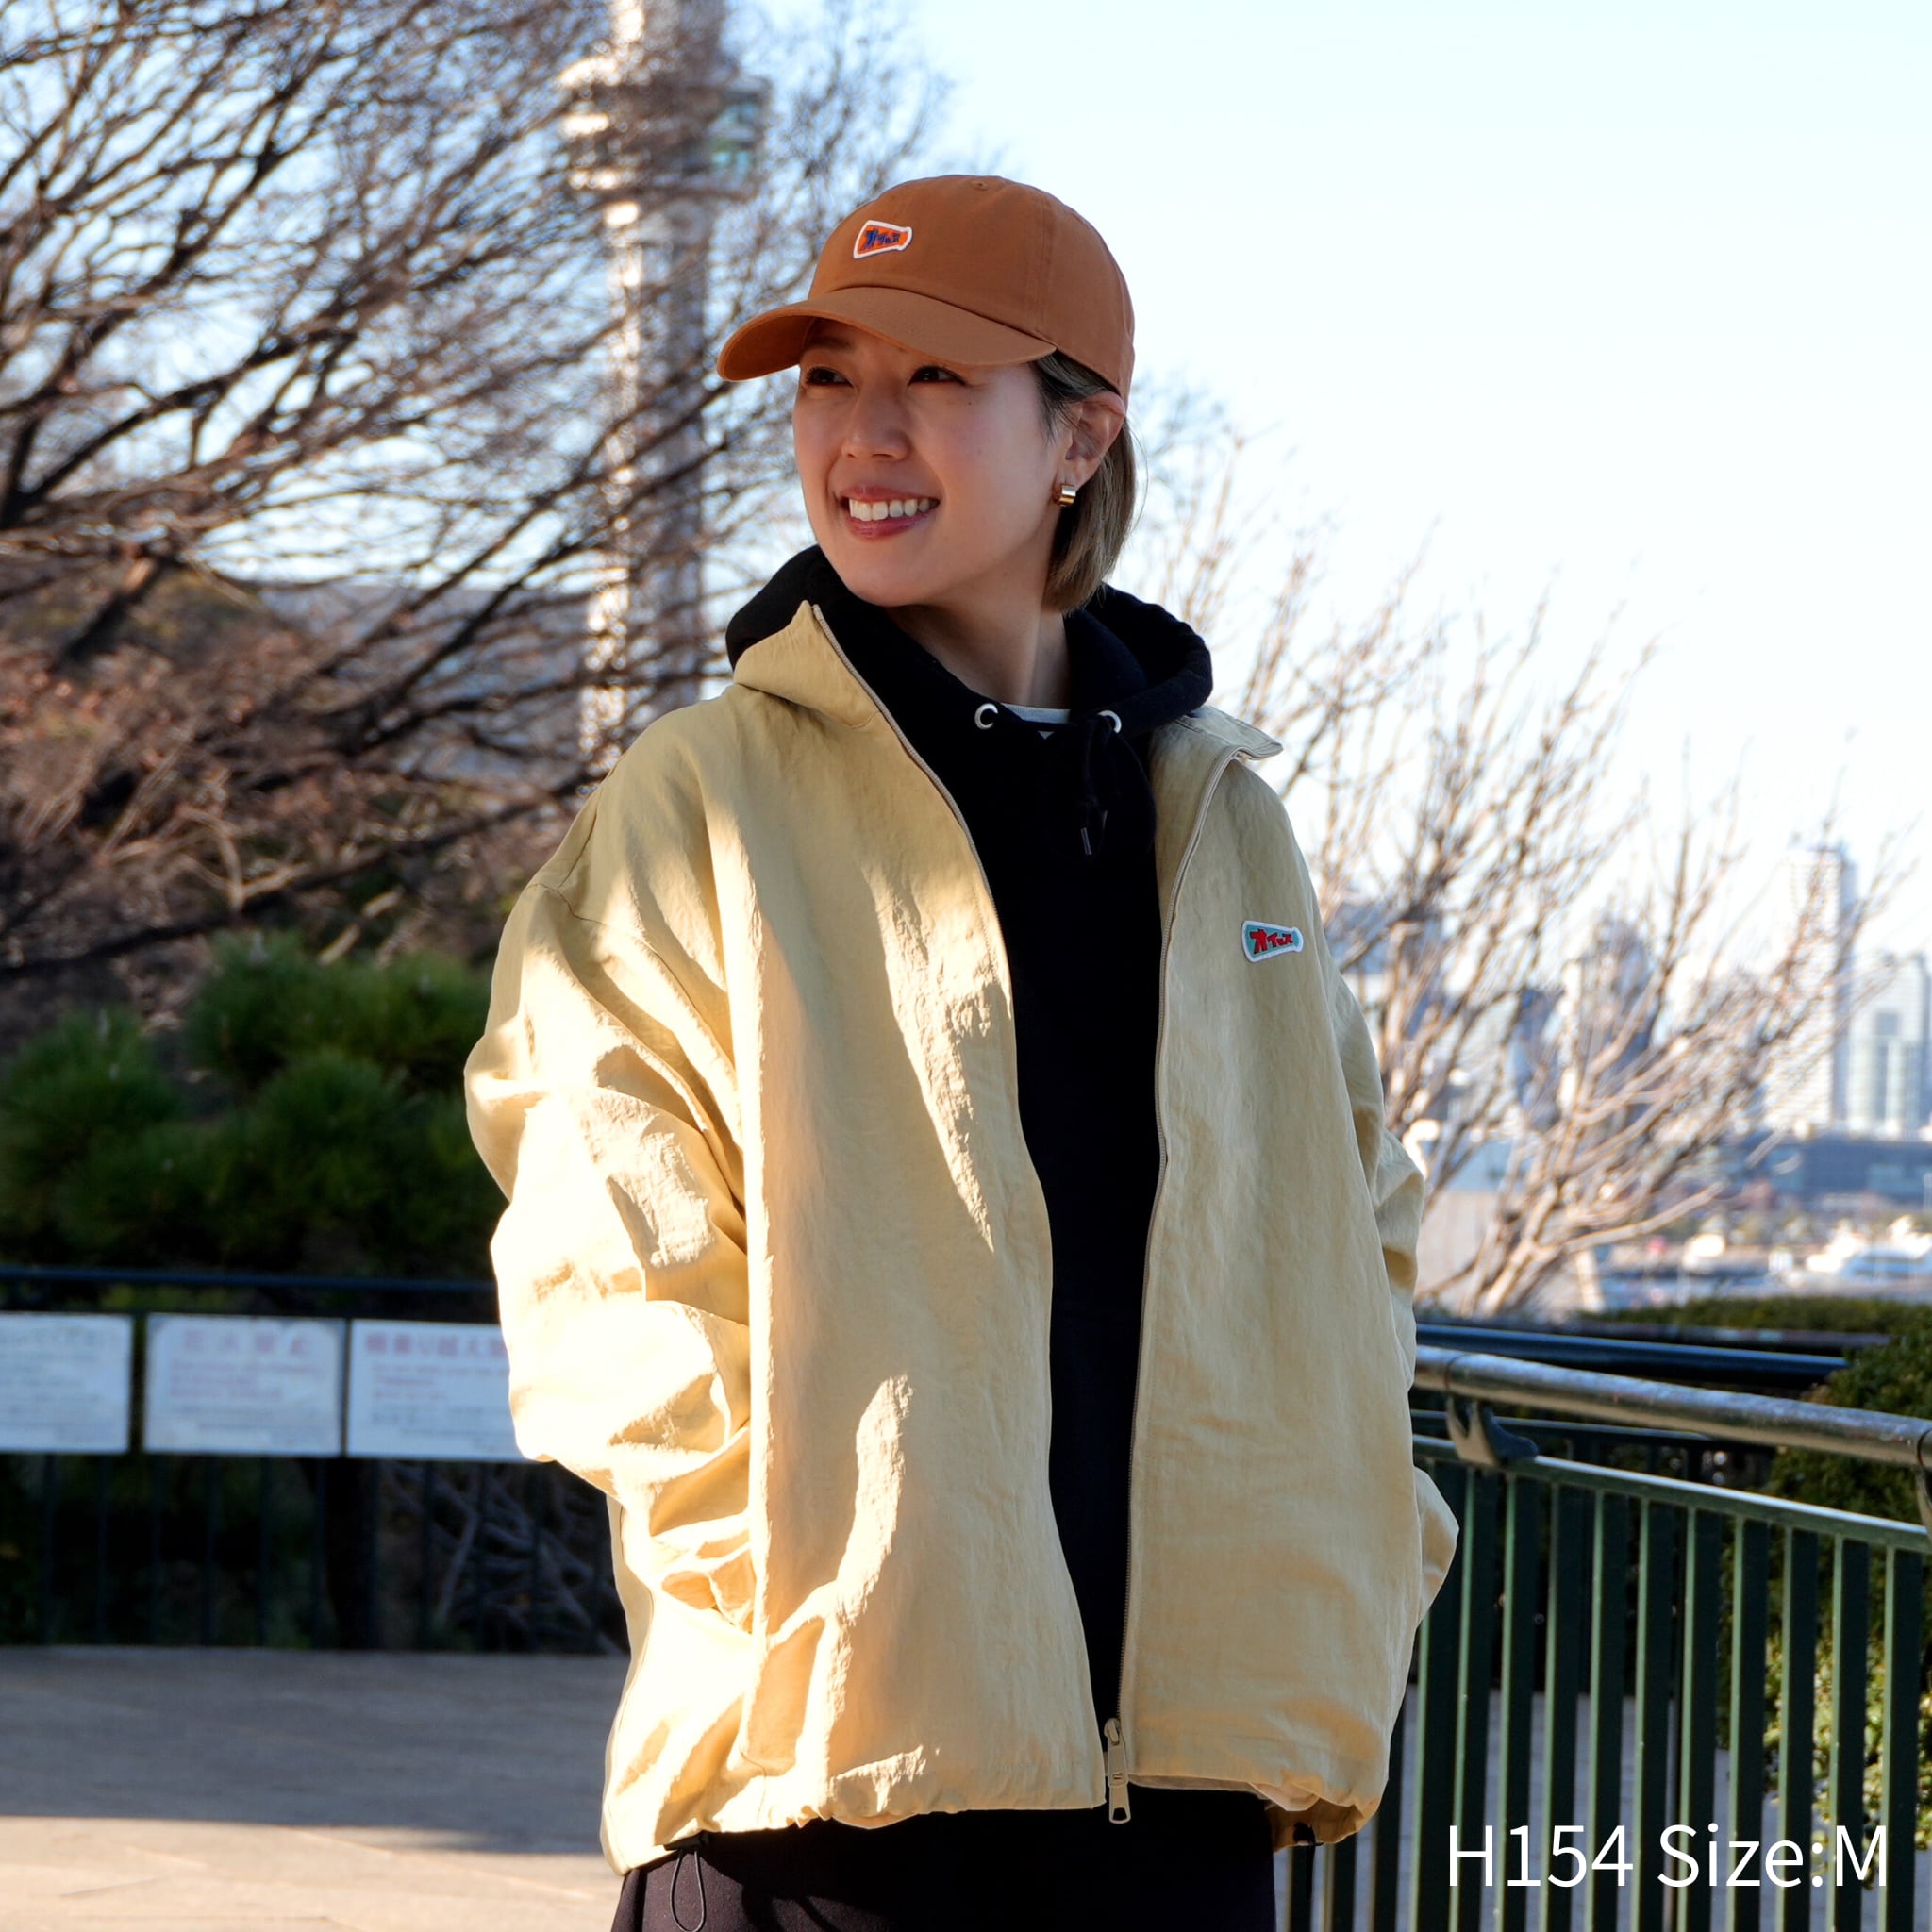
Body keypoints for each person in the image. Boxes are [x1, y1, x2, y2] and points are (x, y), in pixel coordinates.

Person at [464, 174, 1458, 1932]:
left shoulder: (1222, 817)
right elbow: (601, 1250)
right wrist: (792, 1583)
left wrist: (1364, 1539)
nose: (864, 433)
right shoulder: (702, 800)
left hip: (1187, 1796)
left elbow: (1357, 1215)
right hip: (830, 1785)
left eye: (933, 375)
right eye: (826, 378)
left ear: (1080, 435)